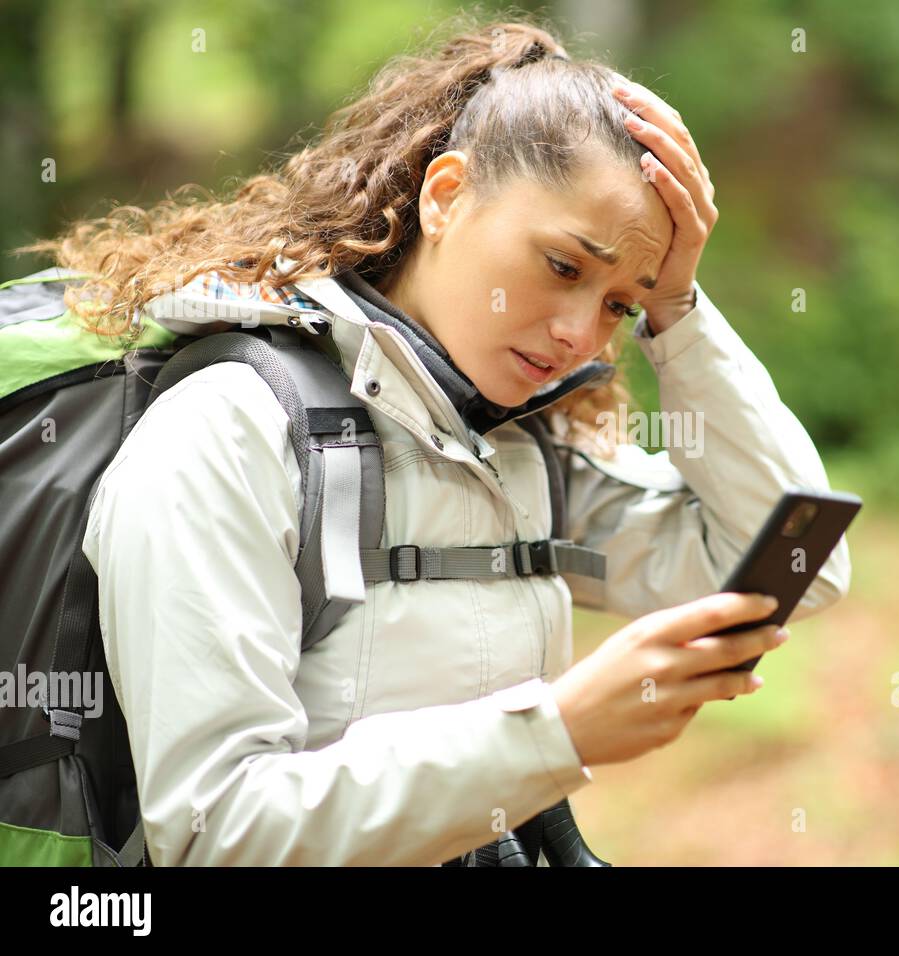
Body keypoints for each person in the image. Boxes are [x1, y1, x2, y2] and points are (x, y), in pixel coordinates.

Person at [28, 17, 850, 865]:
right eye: (565, 266)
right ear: (446, 196)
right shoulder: (230, 431)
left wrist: (679, 306)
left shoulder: (522, 449)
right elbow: (213, 836)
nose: (580, 334)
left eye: (619, 305)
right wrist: (554, 735)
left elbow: (799, 561)